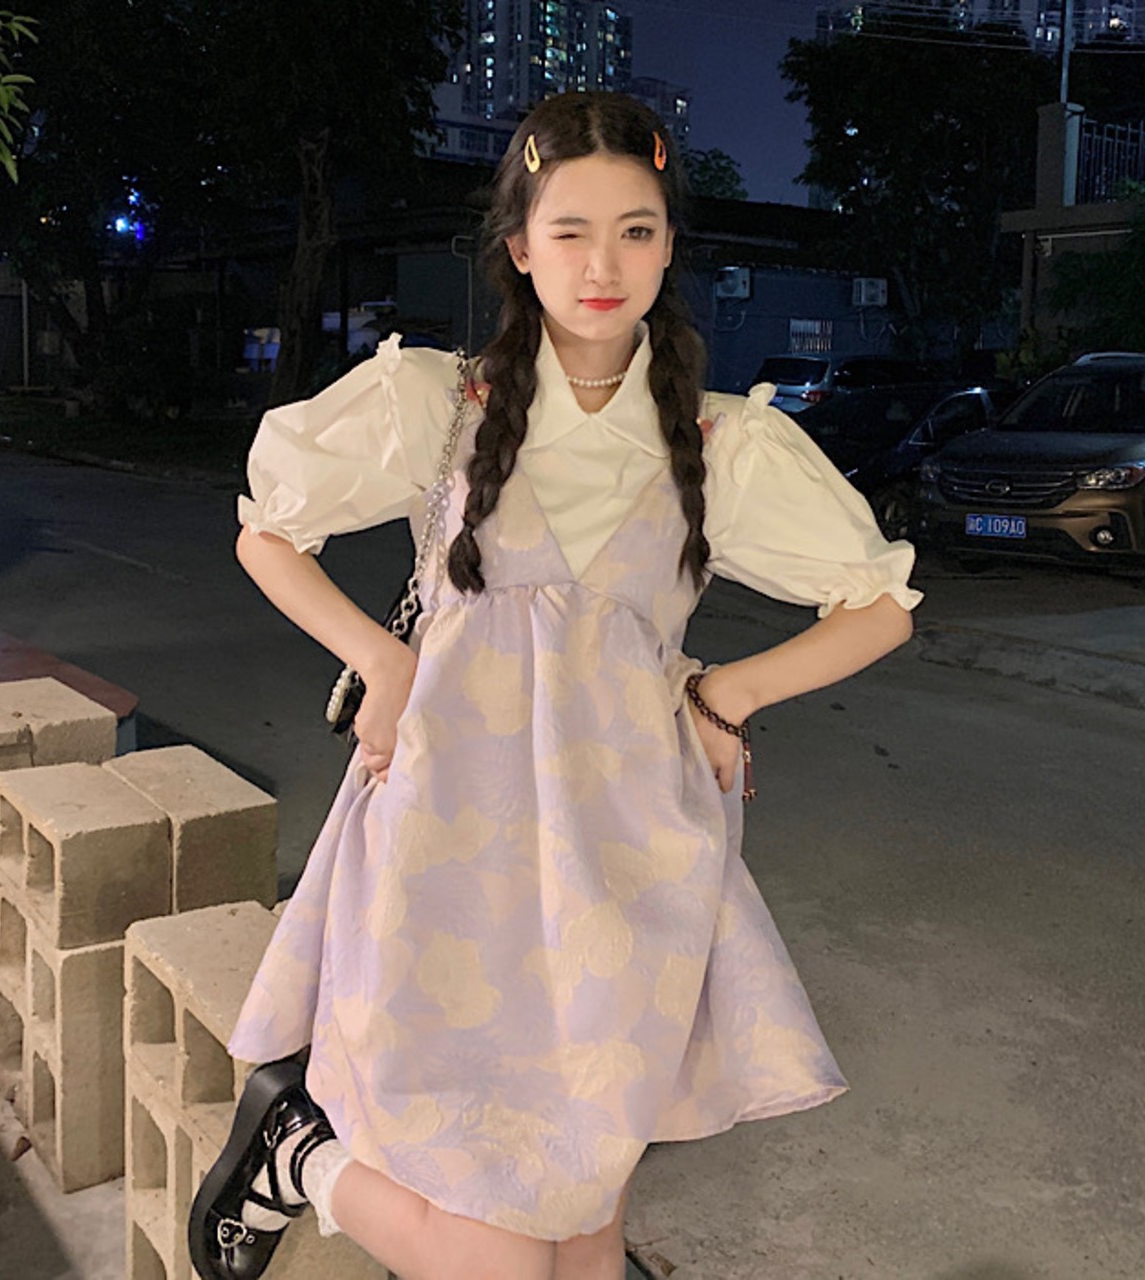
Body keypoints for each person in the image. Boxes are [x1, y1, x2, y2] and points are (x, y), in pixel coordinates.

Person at [189, 90, 920, 1280]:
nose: (601, 265)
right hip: (443, 859)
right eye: (569, 231)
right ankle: (303, 1155)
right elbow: (267, 530)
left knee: (584, 1229)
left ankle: (304, 1149)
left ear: (668, 247)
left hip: (625, 871)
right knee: (504, 1259)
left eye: (635, 230)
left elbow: (879, 605)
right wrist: (381, 657)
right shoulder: (436, 404)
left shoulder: (719, 444)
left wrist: (725, 693)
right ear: (519, 247)